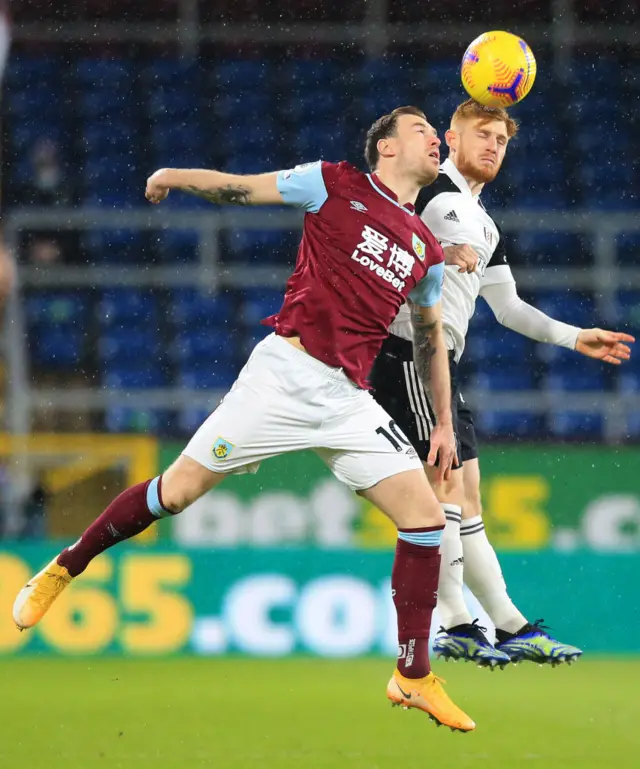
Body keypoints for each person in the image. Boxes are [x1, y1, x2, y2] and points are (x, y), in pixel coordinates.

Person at [13, 106, 475, 732]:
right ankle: (66, 565)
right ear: (386, 148)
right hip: (284, 375)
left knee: (424, 520)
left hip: (347, 398)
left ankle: (412, 676)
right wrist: (173, 173)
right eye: (421, 129)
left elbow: (429, 341)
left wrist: (442, 423)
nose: (433, 138)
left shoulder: (426, 250)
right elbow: (243, 187)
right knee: (174, 494)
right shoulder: (333, 182)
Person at [369, 99, 635, 668]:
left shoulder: (484, 220)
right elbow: (386, 232)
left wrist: (573, 336)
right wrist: (438, 248)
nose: (492, 145)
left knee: (466, 499)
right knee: (443, 494)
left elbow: (509, 307)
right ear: (451, 138)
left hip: (441, 361)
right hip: (407, 352)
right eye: (481, 134)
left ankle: (503, 625)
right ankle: (461, 622)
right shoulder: (432, 188)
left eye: (502, 139)